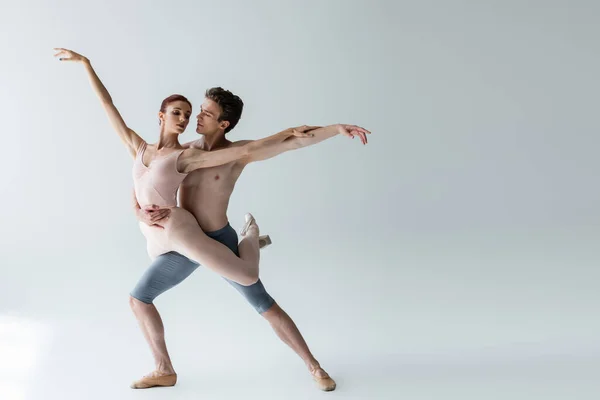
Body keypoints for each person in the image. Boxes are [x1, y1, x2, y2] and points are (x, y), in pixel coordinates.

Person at [132, 86, 370, 391]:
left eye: (206, 113)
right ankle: (163, 369)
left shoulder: (236, 155)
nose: (197, 116)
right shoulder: (183, 152)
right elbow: (143, 180)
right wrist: (141, 214)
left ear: (223, 125)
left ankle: (315, 367)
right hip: (185, 241)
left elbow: (292, 142)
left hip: (219, 240)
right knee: (139, 298)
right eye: (199, 110)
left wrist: (336, 129)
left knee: (264, 305)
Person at [54, 48, 315, 288]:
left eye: (188, 115)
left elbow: (246, 150)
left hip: (177, 228)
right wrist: (86, 64)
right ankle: (246, 246)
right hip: (154, 237)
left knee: (245, 278)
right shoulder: (139, 147)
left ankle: (250, 239)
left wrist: (289, 132)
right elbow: (107, 105)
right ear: (161, 116)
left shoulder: (185, 155)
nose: (184, 119)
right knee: (169, 282)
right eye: (177, 112)